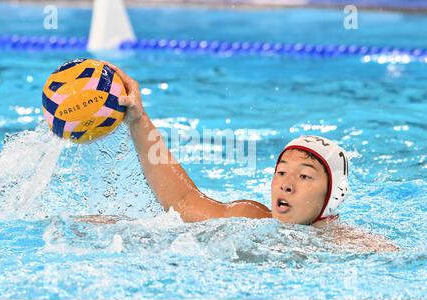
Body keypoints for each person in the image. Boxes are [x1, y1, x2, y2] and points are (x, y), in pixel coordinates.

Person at [77, 63, 398, 252]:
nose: (286, 185)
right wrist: (137, 118)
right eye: (282, 172)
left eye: (304, 176)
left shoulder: (355, 246)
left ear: (333, 195)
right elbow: (183, 201)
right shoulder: (252, 218)